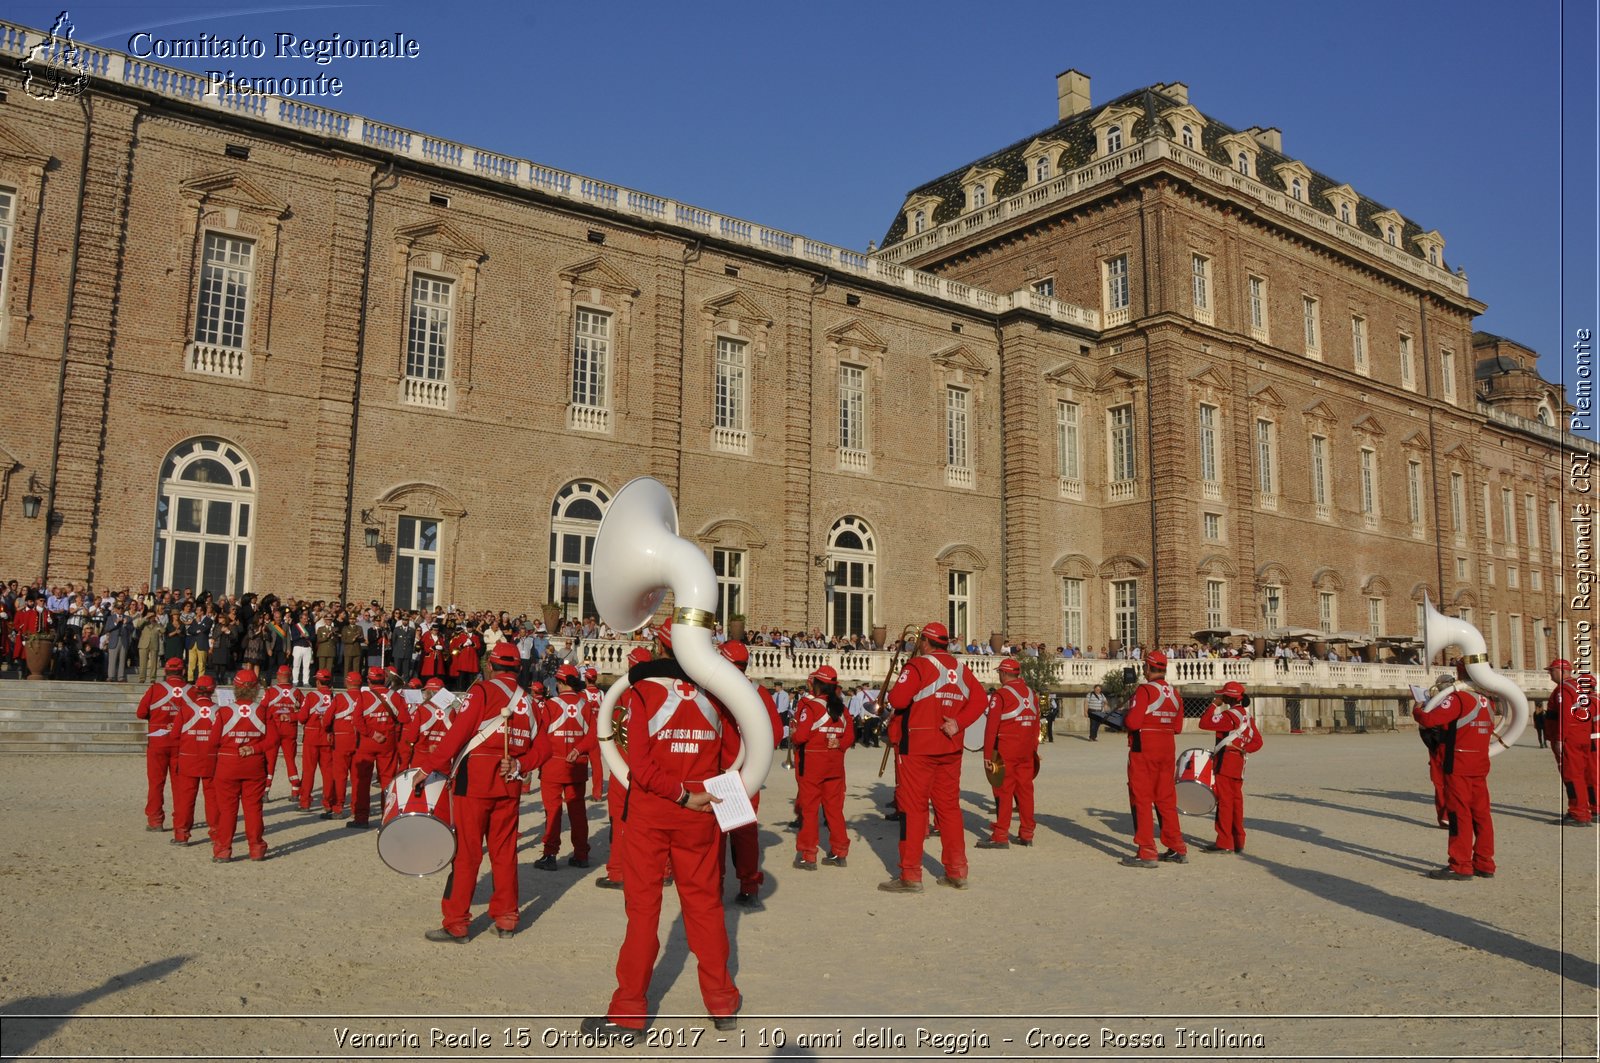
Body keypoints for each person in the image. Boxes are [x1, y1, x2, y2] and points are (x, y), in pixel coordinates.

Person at [583, 617, 742, 1036]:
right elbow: (732, 758)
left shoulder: (643, 693)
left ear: (660, 646)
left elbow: (639, 765)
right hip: (701, 815)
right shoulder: (720, 696)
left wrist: (679, 794)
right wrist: (705, 800)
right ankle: (722, 1000)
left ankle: (629, 1010)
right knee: (705, 907)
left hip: (654, 813)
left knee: (642, 913)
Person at [414, 640, 549, 941]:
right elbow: (544, 748)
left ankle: (457, 923)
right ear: (518, 668)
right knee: (504, 853)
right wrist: (518, 764)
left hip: (473, 782)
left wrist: (427, 767)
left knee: (467, 853)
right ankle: (507, 918)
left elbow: (458, 733)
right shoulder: (529, 702)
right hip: (509, 781)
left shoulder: (482, 691)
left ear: (490, 665)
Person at [878, 621, 987, 893]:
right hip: (950, 745)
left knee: (913, 810)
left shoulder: (918, 666)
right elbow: (980, 700)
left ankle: (911, 875)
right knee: (949, 808)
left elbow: (899, 700)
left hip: (918, 745)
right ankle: (956, 871)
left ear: (924, 642)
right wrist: (959, 723)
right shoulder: (961, 669)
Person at [1413, 659, 1497, 879]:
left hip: (1458, 763)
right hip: (1479, 763)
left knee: (1459, 814)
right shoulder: (1487, 701)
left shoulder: (1459, 698)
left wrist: (1417, 710)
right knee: (1482, 814)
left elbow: (1430, 719)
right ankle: (1485, 862)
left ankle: (1460, 864)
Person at [718, 641, 781, 909]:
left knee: (714, 835)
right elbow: (776, 734)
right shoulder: (759, 692)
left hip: (718, 770)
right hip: (748, 774)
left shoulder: (713, 690)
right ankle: (749, 887)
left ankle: (714, 885)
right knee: (745, 833)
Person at [1120, 650, 1187, 868]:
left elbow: (1133, 722)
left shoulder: (1145, 690)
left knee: (1141, 799)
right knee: (1166, 800)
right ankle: (1177, 847)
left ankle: (1147, 851)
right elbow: (1177, 727)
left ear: (1147, 668)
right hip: (1167, 749)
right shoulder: (1175, 694)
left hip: (1144, 748)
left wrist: (1124, 719)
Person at [598, 647, 653, 892]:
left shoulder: (621, 692)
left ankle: (617, 872)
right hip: (652, 764)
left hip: (624, 763)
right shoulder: (661, 691)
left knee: (619, 819)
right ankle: (663, 871)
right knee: (655, 819)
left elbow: (607, 726)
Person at [790, 664, 853, 871]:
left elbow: (801, 737)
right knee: (835, 810)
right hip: (835, 765)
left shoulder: (811, 706)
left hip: (813, 766)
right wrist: (836, 745)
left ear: (817, 685)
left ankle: (808, 855)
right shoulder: (842, 709)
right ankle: (839, 852)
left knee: (809, 811)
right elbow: (849, 738)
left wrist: (794, 732)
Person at [211, 668, 278, 862]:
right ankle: (256, 849)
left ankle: (223, 850)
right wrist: (254, 749)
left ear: (236, 688)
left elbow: (214, 740)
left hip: (227, 764)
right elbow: (273, 740)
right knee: (253, 809)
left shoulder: (224, 712)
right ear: (256, 689)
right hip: (254, 765)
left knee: (227, 811)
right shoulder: (263, 711)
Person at [534, 663, 597, 869]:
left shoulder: (551, 705)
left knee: (553, 812)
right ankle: (581, 855)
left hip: (553, 764)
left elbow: (540, 734)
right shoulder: (585, 705)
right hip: (577, 765)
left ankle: (550, 854)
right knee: (578, 811)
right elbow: (593, 735)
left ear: (560, 683)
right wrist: (579, 750)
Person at [977, 657, 1040, 849]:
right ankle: (1027, 833)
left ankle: (1001, 834)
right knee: (1026, 792)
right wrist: (1035, 751)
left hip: (1006, 749)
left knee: (1003, 791)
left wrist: (987, 756)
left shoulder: (1001, 695)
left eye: (999, 673)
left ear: (1004, 673)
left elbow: (991, 728)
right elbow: (1036, 725)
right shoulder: (1031, 693)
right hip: (1027, 750)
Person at [1197, 681, 1263, 854]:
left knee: (1225, 802)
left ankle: (1225, 842)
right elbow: (1258, 741)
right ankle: (1238, 840)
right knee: (1236, 802)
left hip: (1226, 761)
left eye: (1222, 695)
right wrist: (1243, 748)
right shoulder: (1247, 716)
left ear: (1228, 697)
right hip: (1239, 762)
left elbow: (1204, 723)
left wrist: (1213, 705)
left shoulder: (1229, 716)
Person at [348, 667, 406, 830]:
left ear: (369, 681)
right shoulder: (395, 696)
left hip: (367, 742)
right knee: (387, 780)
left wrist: (372, 733)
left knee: (362, 781)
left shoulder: (363, 695)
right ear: (384, 679)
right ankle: (387, 818)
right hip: (388, 742)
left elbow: (357, 721)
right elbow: (404, 718)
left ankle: (361, 818)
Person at [135, 657, 187, 831]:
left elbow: (141, 713)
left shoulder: (156, 689)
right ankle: (181, 820)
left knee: (156, 782)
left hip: (158, 741)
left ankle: (155, 820)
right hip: (181, 743)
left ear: (165, 671)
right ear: (183, 671)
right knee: (180, 785)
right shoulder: (191, 691)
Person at [1544, 659, 1596, 826]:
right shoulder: (1580, 688)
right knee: (1581, 775)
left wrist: (1560, 738)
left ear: (1561, 670)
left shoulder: (1563, 690)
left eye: (1551, 671)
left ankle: (1578, 813)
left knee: (1572, 776)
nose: (1550, 674)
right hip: (1582, 735)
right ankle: (1585, 810)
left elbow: (1565, 715)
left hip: (1569, 738)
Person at [170, 674, 220, 847]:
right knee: (213, 799)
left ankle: (181, 835)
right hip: (211, 760)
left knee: (185, 799)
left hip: (188, 759)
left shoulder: (185, 709)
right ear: (213, 690)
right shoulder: (220, 710)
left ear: (196, 690)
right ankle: (216, 833)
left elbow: (175, 735)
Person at [319, 670, 363, 820]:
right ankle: (356, 808)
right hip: (360, 740)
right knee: (358, 777)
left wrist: (328, 729)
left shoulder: (339, 698)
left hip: (341, 740)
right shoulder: (366, 697)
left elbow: (326, 720)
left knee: (340, 776)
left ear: (347, 682)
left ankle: (338, 807)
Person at [1415, 673, 1455, 829]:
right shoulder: (1457, 699)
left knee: (1443, 784)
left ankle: (1446, 816)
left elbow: (1427, 724)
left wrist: (1418, 711)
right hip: (1447, 745)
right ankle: (1447, 816)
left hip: (1442, 746)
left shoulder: (1445, 702)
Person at [260, 664, 302, 800]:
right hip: (290, 728)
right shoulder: (297, 692)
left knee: (270, 761)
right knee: (290, 759)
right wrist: (292, 716)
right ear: (289, 676)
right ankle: (295, 790)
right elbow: (304, 712)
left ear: (278, 676)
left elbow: (261, 710)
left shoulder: (271, 691)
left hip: (273, 729)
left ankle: (265, 791)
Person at [297, 669, 335, 813]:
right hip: (327, 737)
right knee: (327, 772)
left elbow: (301, 718)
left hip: (312, 737)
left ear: (318, 681)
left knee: (308, 771)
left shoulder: (311, 695)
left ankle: (305, 802)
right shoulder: (333, 696)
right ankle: (328, 803)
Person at [583, 666, 607, 802]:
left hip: (585, 733)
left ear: (585, 679)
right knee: (597, 763)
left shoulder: (582, 694)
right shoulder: (602, 694)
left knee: (579, 763)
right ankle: (597, 793)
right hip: (598, 732)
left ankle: (572, 793)